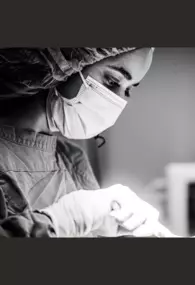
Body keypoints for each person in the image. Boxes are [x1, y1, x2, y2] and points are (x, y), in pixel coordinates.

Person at [0, 47, 174, 238]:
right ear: (61, 68)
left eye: (129, 89)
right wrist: (68, 219)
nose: (120, 100)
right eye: (112, 81)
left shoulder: (72, 159)